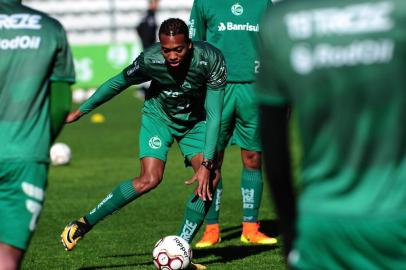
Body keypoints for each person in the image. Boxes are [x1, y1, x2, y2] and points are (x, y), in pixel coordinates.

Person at [60, 18, 226, 270]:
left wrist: (206, 163)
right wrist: (82, 110)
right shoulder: (150, 59)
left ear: (189, 45)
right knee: (149, 179)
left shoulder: (210, 59)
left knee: (210, 178)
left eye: (178, 49)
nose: (172, 55)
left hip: (195, 122)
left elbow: (215, 115)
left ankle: (179, 249)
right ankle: (83, 224)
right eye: (166, 49)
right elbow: (118, 82)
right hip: (158, 117)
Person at [257, 0, 406, 269]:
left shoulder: (280, 22)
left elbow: (273, 145)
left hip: (321, 224)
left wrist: (290, 234)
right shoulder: (397, 12)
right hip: (395, 217)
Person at [189, 0, 277, 248]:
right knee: (212, 159)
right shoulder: (205, 3)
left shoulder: (262, 3)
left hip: (254, 87)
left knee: (253, 156)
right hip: (217, 89)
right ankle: (211, 229)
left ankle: (250, 227)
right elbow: (195, 46)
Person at [0, 0, 75, 269]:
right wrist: (38, 144)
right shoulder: (49, 29)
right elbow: (60, 106)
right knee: (6, 257)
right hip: (25, 155)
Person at [135, 0, 159, 99]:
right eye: (154, 2)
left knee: (149, 67)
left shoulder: (151, 15)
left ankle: (145, 88)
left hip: (150, 46)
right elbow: (140, 28)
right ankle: (143, 89)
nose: (156, 5)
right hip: (148, 47)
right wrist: (146, 44)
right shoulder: (148, 16)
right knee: (148, 67)